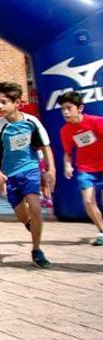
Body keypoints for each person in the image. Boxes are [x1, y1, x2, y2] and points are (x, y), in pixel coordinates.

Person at [0, 82, 54, 268]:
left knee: (35, 206)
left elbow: (45, 147)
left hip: (30, 169)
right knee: (23, 216)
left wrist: (51, 170)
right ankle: (30, 225)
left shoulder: (32, 122)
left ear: (17, 102)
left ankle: (37, 250)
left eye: (4, 102)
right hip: (10, 176)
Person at [57, 90, 103, 246]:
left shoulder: (96, 122)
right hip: (86, 169)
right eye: (63, 109)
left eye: (69, 108)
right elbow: (68, 153)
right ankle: (102, 231)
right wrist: (67, 165)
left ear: (80, 108)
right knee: (88, 201)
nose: (65, 112)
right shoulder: (65, 131)